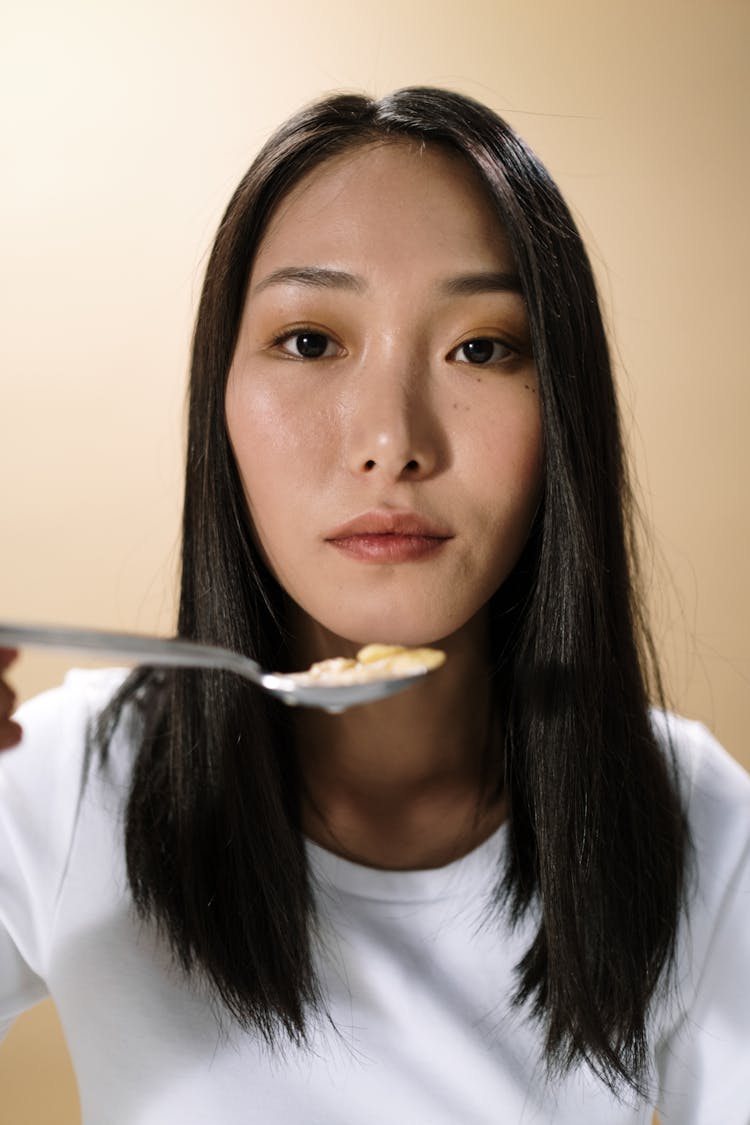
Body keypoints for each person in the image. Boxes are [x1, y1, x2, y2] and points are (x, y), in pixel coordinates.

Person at [1, 87, 748, 1124]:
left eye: (481, 348)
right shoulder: (60, 787)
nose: (391, 440)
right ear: (219, 402)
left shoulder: (701, 827)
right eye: (311, 342)